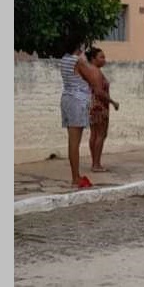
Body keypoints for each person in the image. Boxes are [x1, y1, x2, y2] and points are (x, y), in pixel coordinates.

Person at [60, 38, 108, 188]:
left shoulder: (64, 59)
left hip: (67, 98)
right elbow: (94, 81)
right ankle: (76, 177)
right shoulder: (78, 61)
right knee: (75, 142)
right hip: (78, 101)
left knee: (72, 141)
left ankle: (76, 175)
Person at [85, 47, 119, 172]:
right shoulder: (96, 72)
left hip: (93, 105)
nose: (104, 60)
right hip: (100, 106)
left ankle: (94, 162)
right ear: (93, 59)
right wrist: (112, 101)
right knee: (100, 134)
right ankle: (96, 164)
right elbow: (99, 91)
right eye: (101, 57)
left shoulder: (91, 70)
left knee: (94, 134)